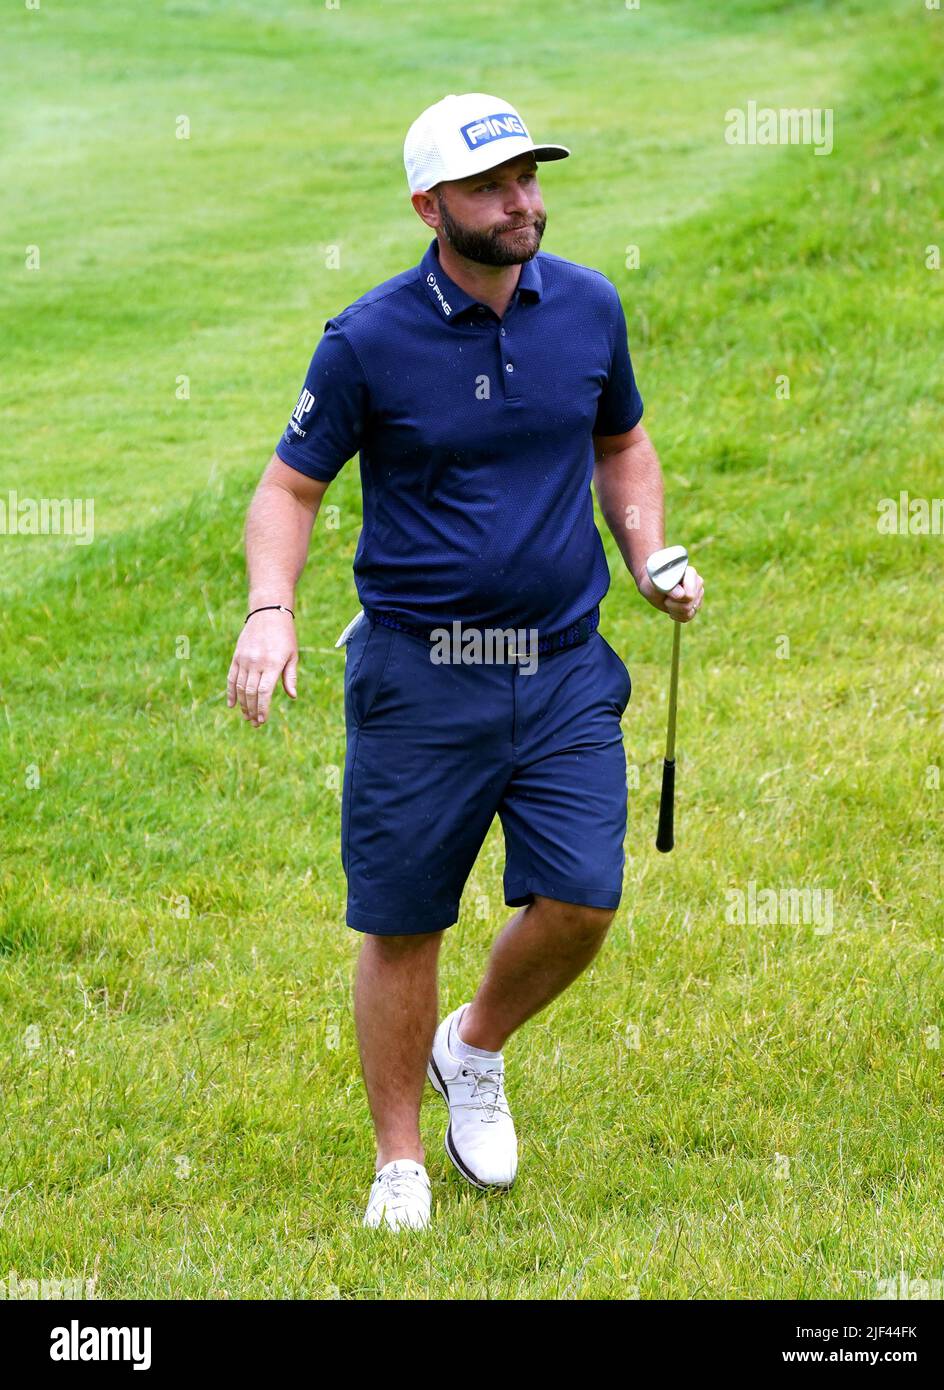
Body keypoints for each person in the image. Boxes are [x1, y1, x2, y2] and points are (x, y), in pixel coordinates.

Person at [227, 93, 705, 1230]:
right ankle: (399, 1162)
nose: (523, 203)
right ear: (429, 206)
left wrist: (645, 557)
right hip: (420, 676)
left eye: (531, 180)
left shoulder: (586, 307)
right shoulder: (367, 339)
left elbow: (622, 442)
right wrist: (269, 607)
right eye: (494, 188)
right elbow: (289, 488)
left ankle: (473, 1047)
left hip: (562, 665)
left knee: (583, 900)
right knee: (404, 921)